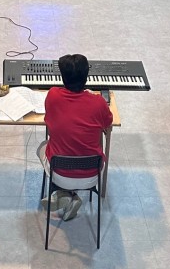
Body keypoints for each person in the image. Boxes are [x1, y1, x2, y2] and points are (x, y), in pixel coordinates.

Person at [37, 54, 113, 221]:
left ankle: (64, 195)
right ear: (86, 77)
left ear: (63, 78)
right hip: (92, 175)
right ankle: (70, 197)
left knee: (42, 146)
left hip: (59, 173)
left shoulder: (53, 96)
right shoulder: (99, 103)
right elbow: (108, 123)